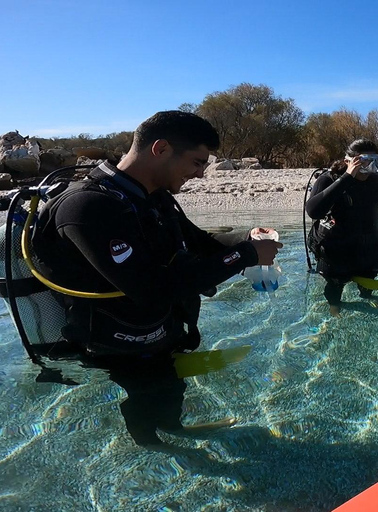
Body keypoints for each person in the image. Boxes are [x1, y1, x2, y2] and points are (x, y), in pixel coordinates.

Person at [31, 110, 282, 445]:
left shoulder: (152, 196)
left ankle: (171, 428)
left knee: (169, 386)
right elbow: (151, 291)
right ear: (161, 149)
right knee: (147, 392)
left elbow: (199, 242)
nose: (200, 174)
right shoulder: (86, 208)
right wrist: (247, 255)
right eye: (197, 162)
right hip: (122, 342)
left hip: (159, 329)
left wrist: (248, 239)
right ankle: (149, 442)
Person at [306, 139, 378, 315]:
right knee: (335, 284)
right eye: (363, 161)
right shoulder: (329, 179)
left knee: (368, 280)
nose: (368, 167)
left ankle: (366, 296)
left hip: (369, 245)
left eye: (374, 161)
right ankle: (335, 305)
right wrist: (347, 177)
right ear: (349, 161)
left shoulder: (376, 182)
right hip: (337, 247)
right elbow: (313, 211)